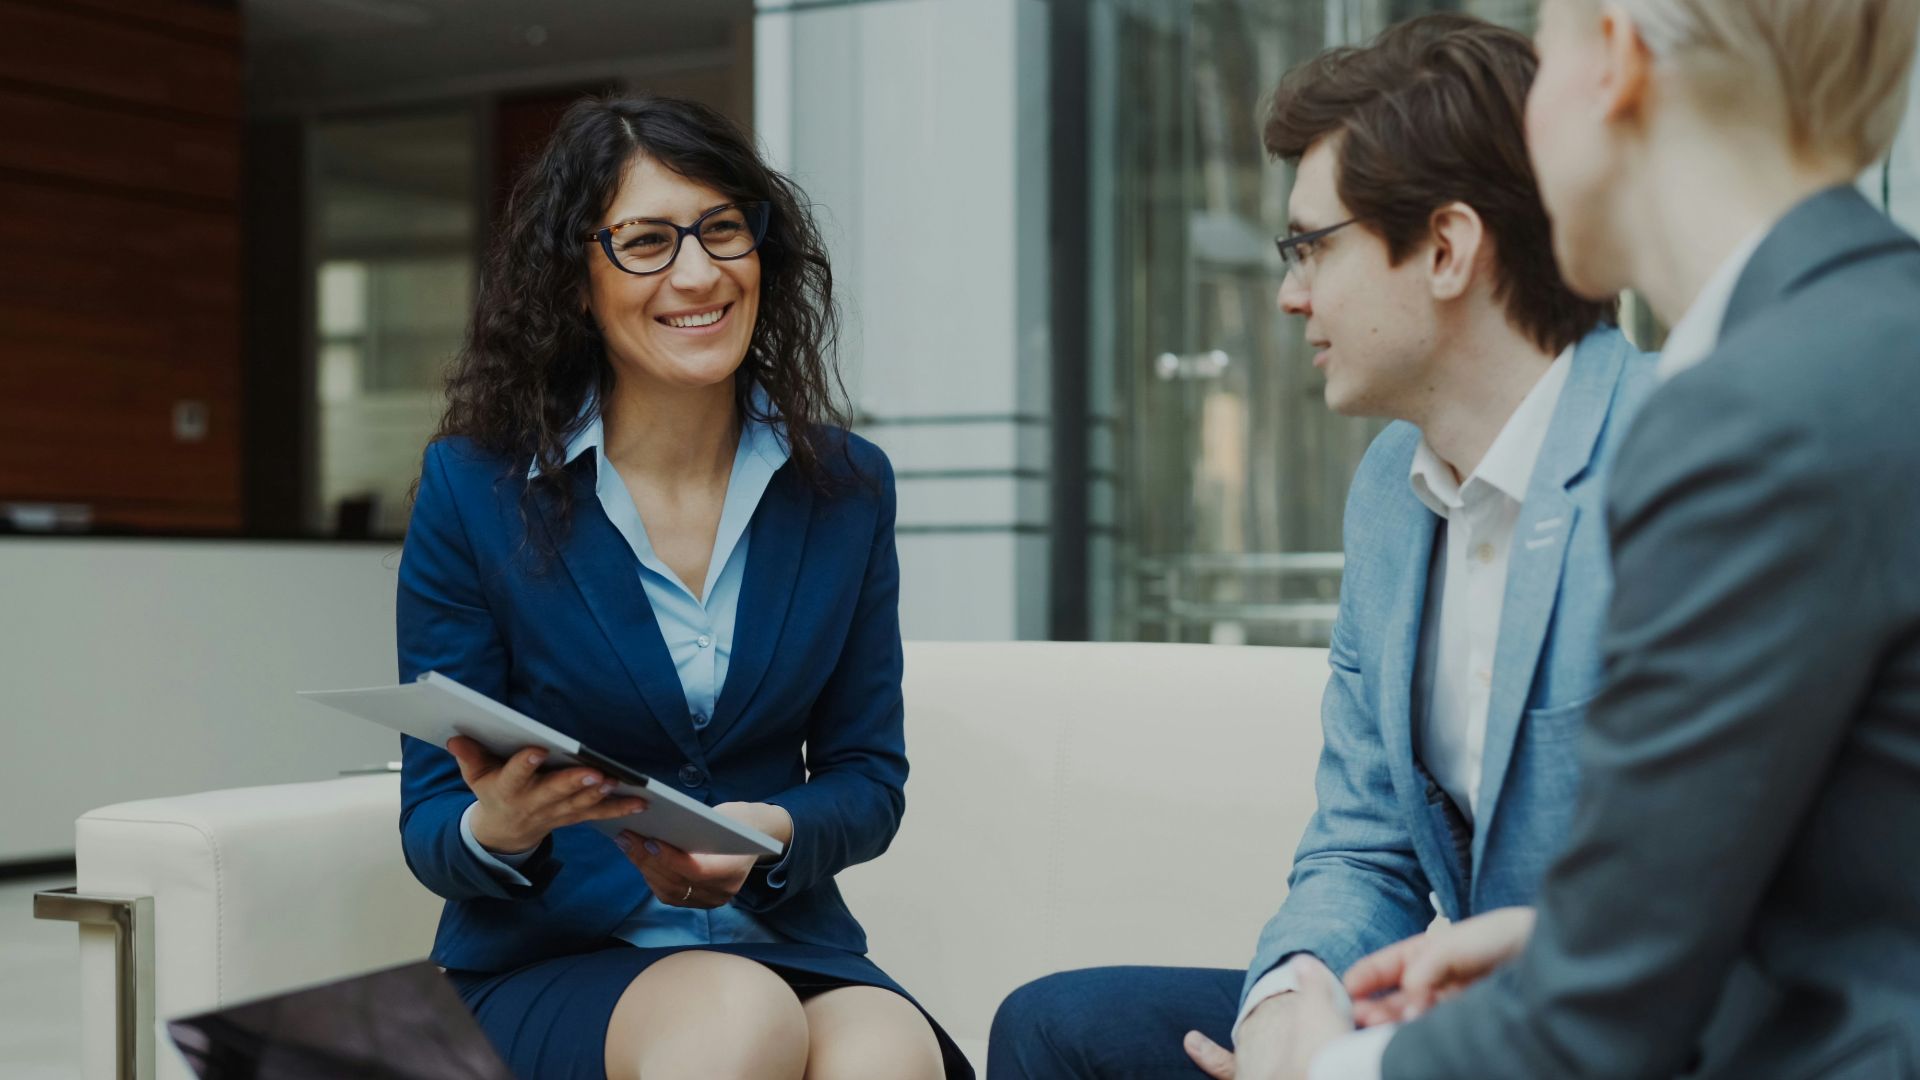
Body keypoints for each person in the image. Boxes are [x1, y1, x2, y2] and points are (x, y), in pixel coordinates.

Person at [986, 15, 1654, 1079]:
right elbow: (1364, 842)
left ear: (1446, 248)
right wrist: (1291, 997)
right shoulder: (1392, 492)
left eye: (1311, 245)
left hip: (1619, 1026)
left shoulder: (1680, 464)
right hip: (1447, 1008)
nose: (1290, 292)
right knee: (1061, 1030)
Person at [1275, 1, 1920, 1077]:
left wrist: (1327, 1072)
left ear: (1613, 58)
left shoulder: (1755, 411)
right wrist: (1556, 940)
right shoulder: (1856, 342)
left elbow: (1601, 1023)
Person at [395, 94, 970, 1080]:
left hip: (785, 938)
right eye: (647, 242)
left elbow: (868, 780)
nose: (697, 273)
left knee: (888, 1054)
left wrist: (768, 833)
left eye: (722, 231)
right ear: (578, 281)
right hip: (549, 959)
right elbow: (432, 827)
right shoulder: (474, 488)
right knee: (734, 1019)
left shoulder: (846, 488)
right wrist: (504, 825)